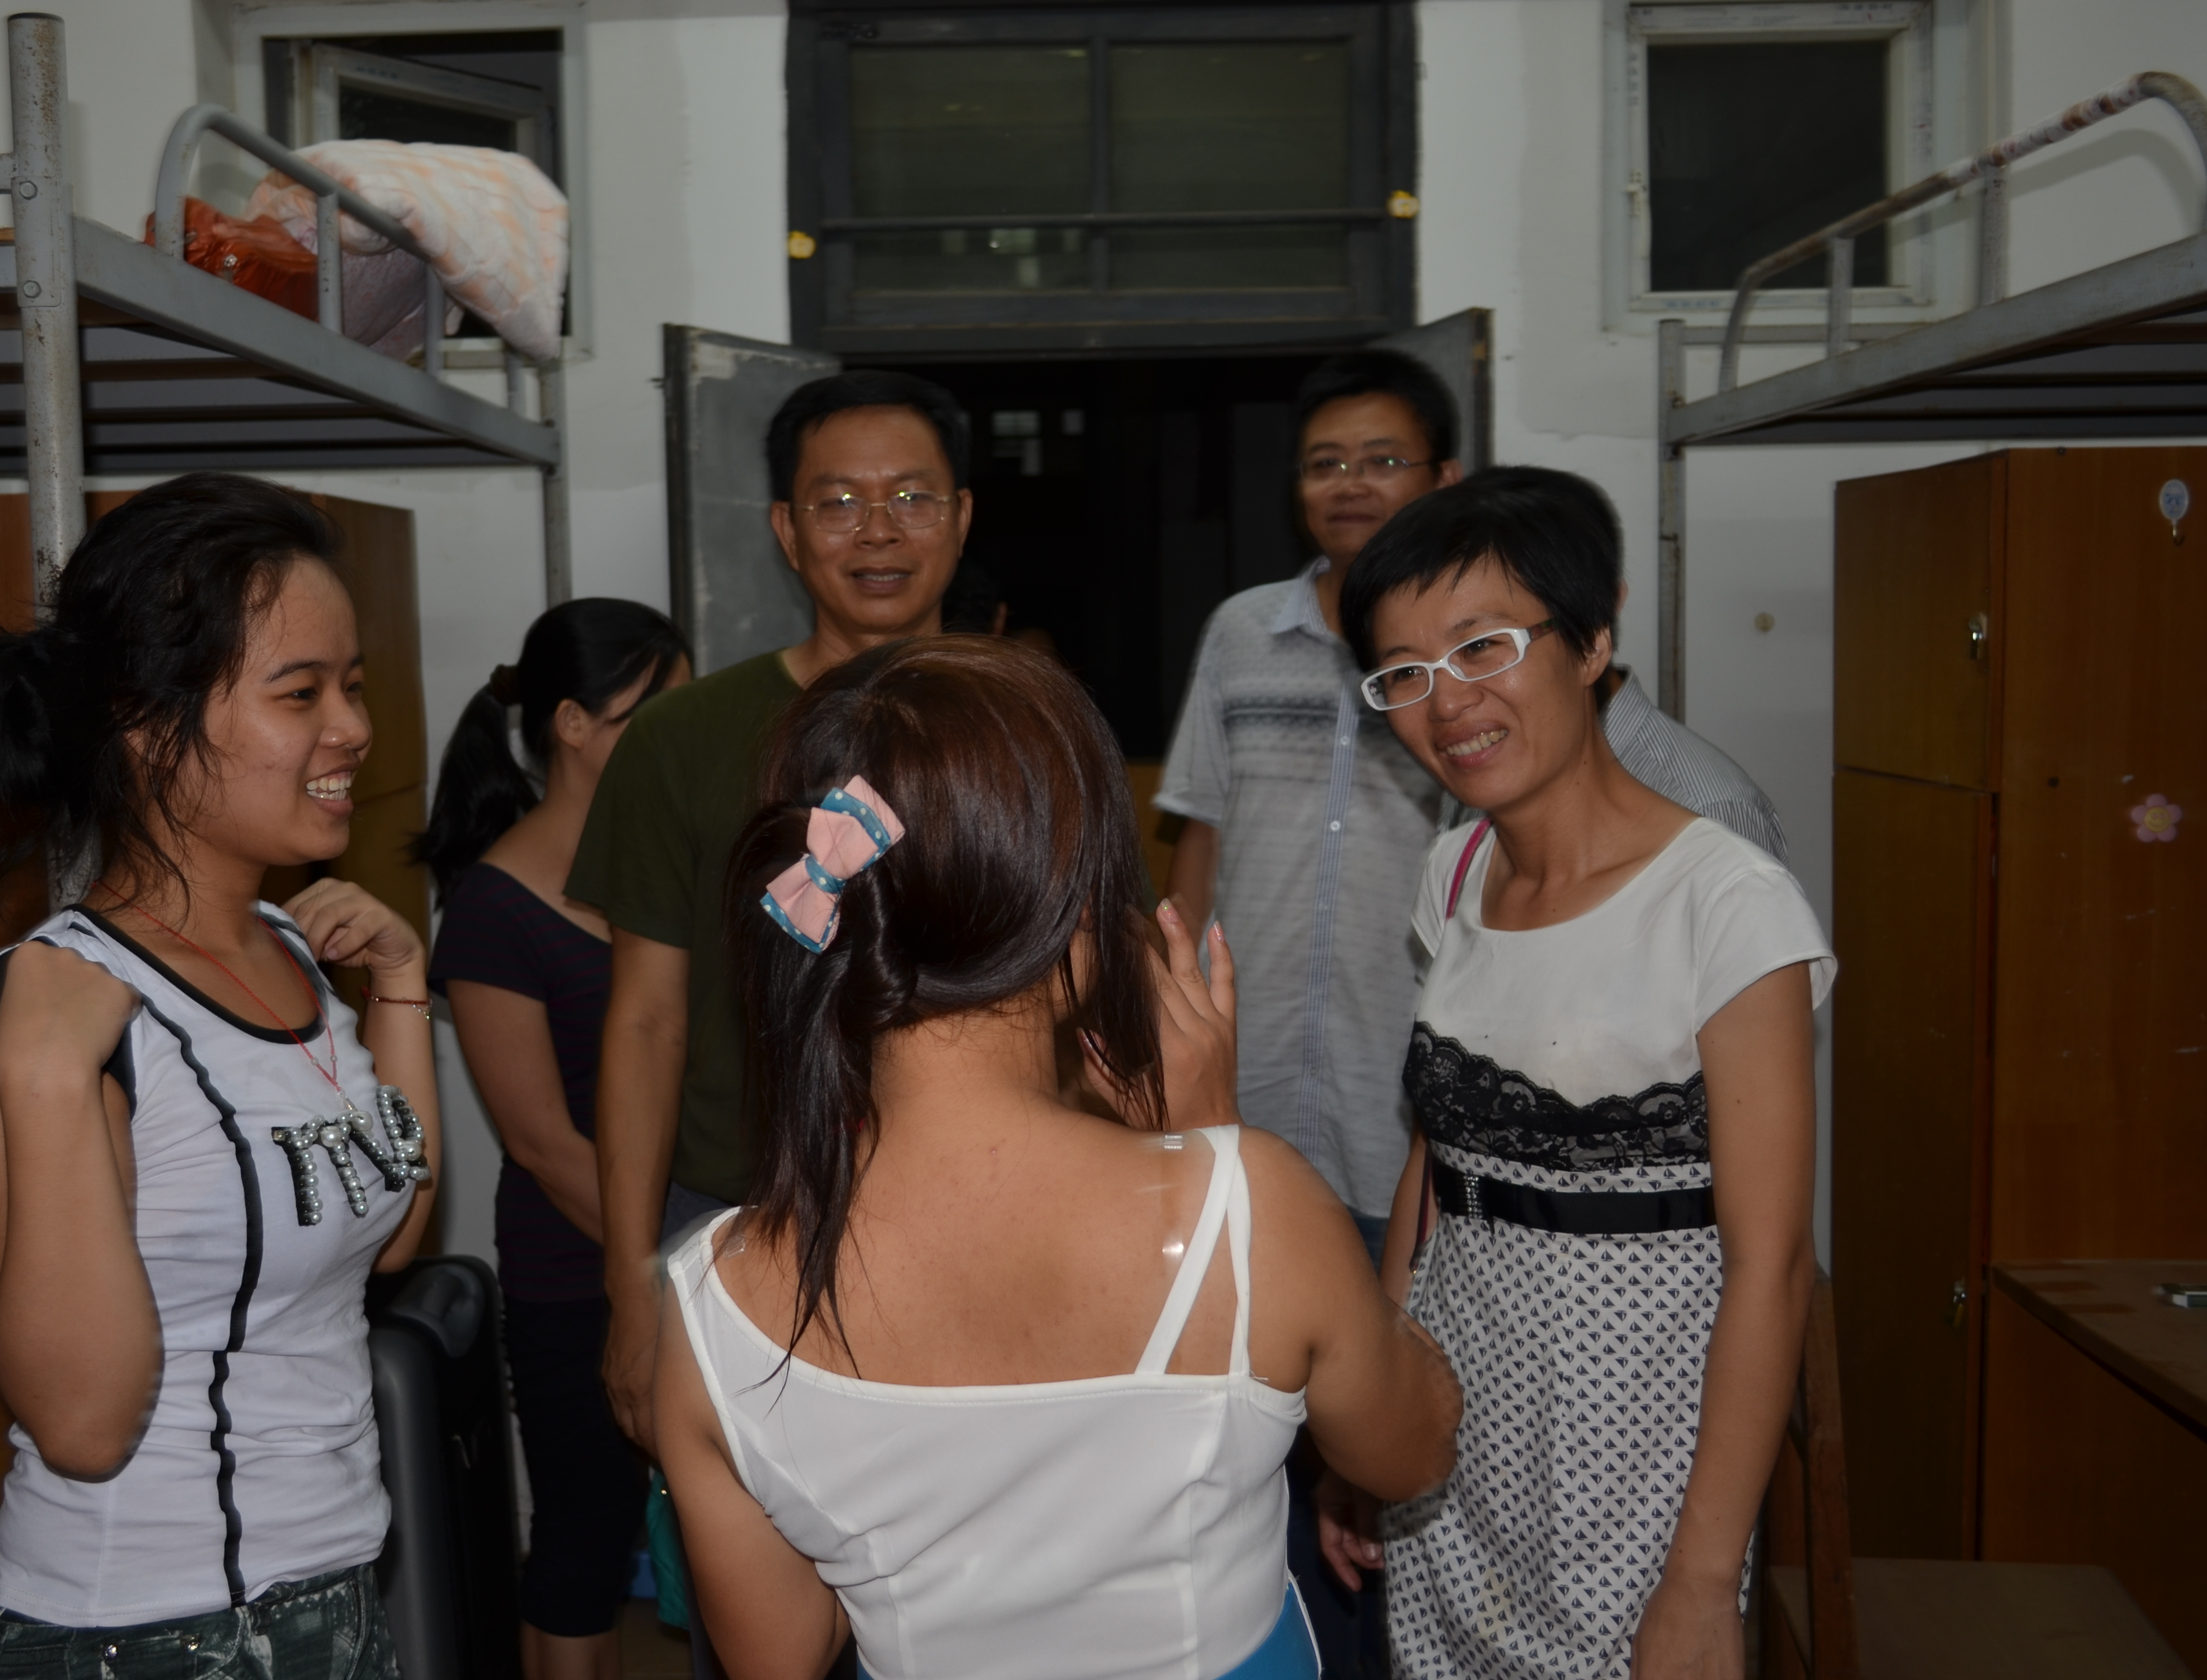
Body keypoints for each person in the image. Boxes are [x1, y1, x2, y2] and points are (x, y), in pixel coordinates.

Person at [654, 637, 1463, 1680]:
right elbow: (1412, 1451)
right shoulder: (1249, 1207)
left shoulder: (713, 1305)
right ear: (1078, 918)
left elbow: (785, 1653)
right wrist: (1212, 1144)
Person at [0, 474, 439, 1679]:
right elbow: (84, 1426)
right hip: (146, 1632)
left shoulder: (288, 951)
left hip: (322, 1594)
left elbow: (389, 1236)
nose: (352, 729)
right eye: (301, 693)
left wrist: (403, 989)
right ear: (148, 725)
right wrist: (48, 1084)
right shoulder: (58, 1016)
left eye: (353, 685)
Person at [1338, 466, 1832, 1679]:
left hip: (1636, 1446)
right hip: (1457, 1420)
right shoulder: (1456, 871)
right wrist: (1377, 1426)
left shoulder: (1725, 904)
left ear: (1593, 643)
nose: (1448, 704)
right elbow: (1434, 1167)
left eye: (1483, 648)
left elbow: (1771, 1267)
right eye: (1404, 672)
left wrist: (1703, 1581)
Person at [572, 369, 971, 1463]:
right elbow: (645, 1021)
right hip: (735, 1215)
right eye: (839, 502)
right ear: (787, 531)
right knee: (741, 1546)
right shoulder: (683, 738)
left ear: (962, 517)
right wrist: (631, 1285)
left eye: (912, 497)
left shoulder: (1029, 732)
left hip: (978, 1213)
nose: (878, 529)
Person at [1156, 350, 1463, 1671]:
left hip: (1405, 1112)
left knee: (1394, 1414)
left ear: (1443, 477)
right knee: (1249, 1413)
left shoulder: (1459, 649)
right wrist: (1173, 1023)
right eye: (1326, 462)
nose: (1351, 484)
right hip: (1252, 1100)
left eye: (1382, 459)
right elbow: (1199, 835)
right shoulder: (1241, 633)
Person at [414, 600, 691, 1680]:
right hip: (579, 1272)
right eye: (654, 715)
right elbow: (537, 1139)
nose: (680, 736)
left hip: (692, 1251)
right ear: (573, 725)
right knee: (584, 1540)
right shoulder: (493, 908)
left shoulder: (668, 865)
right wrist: (659, 1265)